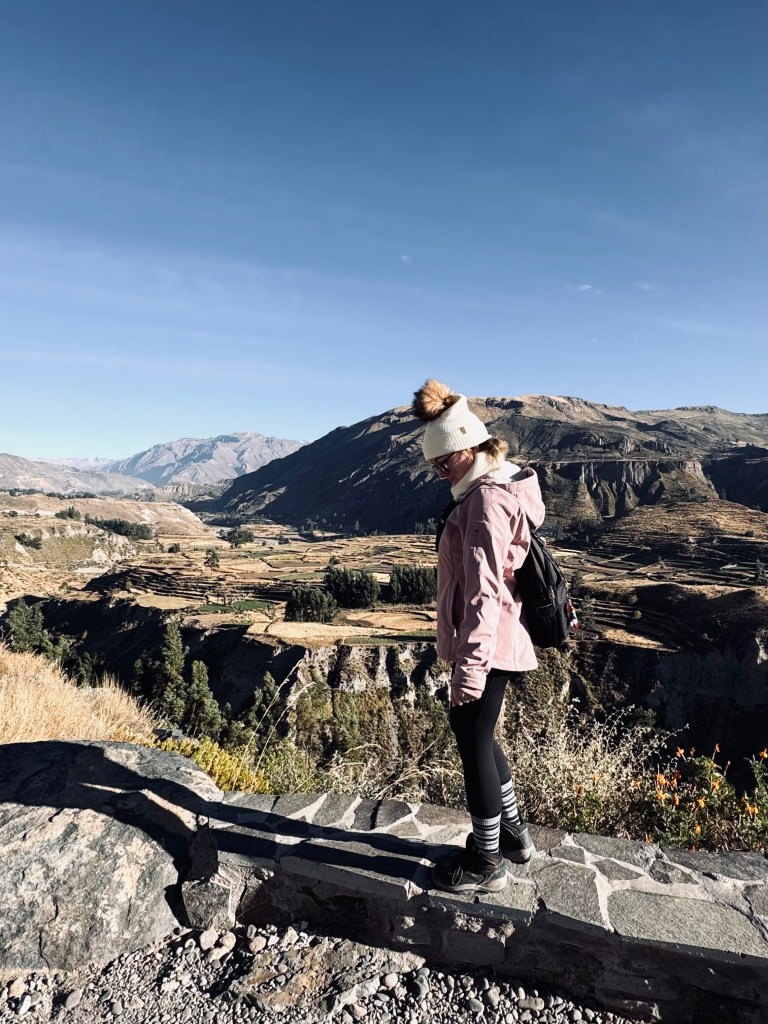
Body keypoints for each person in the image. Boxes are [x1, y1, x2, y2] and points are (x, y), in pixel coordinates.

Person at [411, 379, 545, 895]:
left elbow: (484, 593)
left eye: (444, 463)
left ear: (469, 448)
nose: (440, 474)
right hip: (497, 640)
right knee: (481, 737)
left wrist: (468, 668)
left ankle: (487, 860)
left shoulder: (486, 502)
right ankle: (512, 836)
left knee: (471, 741)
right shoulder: (490, 489)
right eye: (433, 468)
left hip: (487, 644)